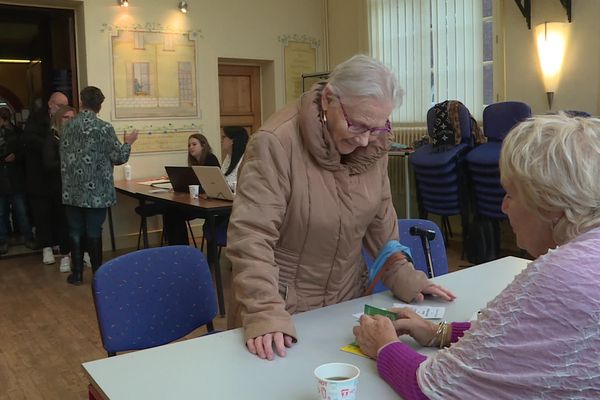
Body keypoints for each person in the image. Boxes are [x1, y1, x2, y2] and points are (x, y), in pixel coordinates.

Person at [353, 113, 600, 399]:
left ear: (551, 203)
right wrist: (439, 332)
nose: (504, 207)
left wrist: (384, 345)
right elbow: (525, 342)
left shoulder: (563, 274)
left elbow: (430, 389)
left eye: (511, 194)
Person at [227, 55, 454, 361]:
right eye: (356, 124)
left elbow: (381, 229)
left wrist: (408, 279)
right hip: (280, 308)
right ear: (329, 99)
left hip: (344, 304)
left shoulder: (375, 145)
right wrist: (265, 312)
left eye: (376, 128)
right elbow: (251, 238)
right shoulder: (274, 143)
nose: (364, 140)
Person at [61, 86, 138, 285]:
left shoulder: (67, 127)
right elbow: (119, 157)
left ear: (81, 101)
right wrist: (128, 142)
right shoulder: (104, 128)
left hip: (72, 189)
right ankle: (97, 275)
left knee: (75, 231)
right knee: (94, 231)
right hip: (97, 191)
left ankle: (77, 274)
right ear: (100, 105)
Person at [23, 91, 69, 262]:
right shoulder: (36, 118)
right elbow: (29, 138)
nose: (63, 109)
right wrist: (51, 145)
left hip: (58, 178)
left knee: (59, 213)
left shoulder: (66, 120)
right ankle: (46, 247)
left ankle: (59, 245)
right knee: (42, 214)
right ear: (51, 104)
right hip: (39, 176)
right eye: (60, 105)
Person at [158, 133, 221, 245]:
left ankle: (181, 248)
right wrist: (178, 186)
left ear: (203, 145)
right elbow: (192, 183)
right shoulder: (194, 163)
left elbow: (212, 184)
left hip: (209, 203)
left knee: (174, 212)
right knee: (170, 209)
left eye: (194, 144)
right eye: (189, 145)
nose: (190, 147)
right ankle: (176, 248)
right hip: (197, 201)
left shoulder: (211, 159)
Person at [42, 105, 77, 272]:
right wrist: (69, 161)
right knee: (63, 223)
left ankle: (80, 255)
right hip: (59, 188)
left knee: (78, 223)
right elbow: (48, 164)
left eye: (72, 117)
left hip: (77, 188)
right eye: (66, 117)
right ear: (58, 119)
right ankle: (65, 256)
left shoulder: (79, 137)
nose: (69, 121)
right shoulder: (52, 138)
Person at [0, 107, 36, 254]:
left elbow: (25, 153)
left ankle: (28, 237)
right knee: (1, 213)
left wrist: (17, 156)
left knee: (21, 211)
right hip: (1, 179)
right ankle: (3, 240)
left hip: (16, 178)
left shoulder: (18, 133)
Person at [220, 126, 248, 192]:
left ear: (232, 140)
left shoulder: (245, 158)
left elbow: (241, 184)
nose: (221, 140)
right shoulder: (228, 156)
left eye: (224, 137)